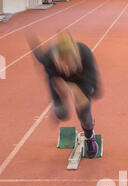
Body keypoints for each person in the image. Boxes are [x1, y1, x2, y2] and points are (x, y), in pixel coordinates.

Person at [28, 30, 102, 159]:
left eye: (70, 64)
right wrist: (62, 89)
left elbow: (94, 93)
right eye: (64, 65)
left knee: (84, 114)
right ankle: (58, 110)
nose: (67, 68)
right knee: (62, 114)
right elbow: (39, 56)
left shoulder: (85, 55)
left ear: (76, 58)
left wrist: (72, 88)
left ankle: (89, 137)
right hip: (58, 78)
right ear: (58, 59)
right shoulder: (49, 59)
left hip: (80, 79)